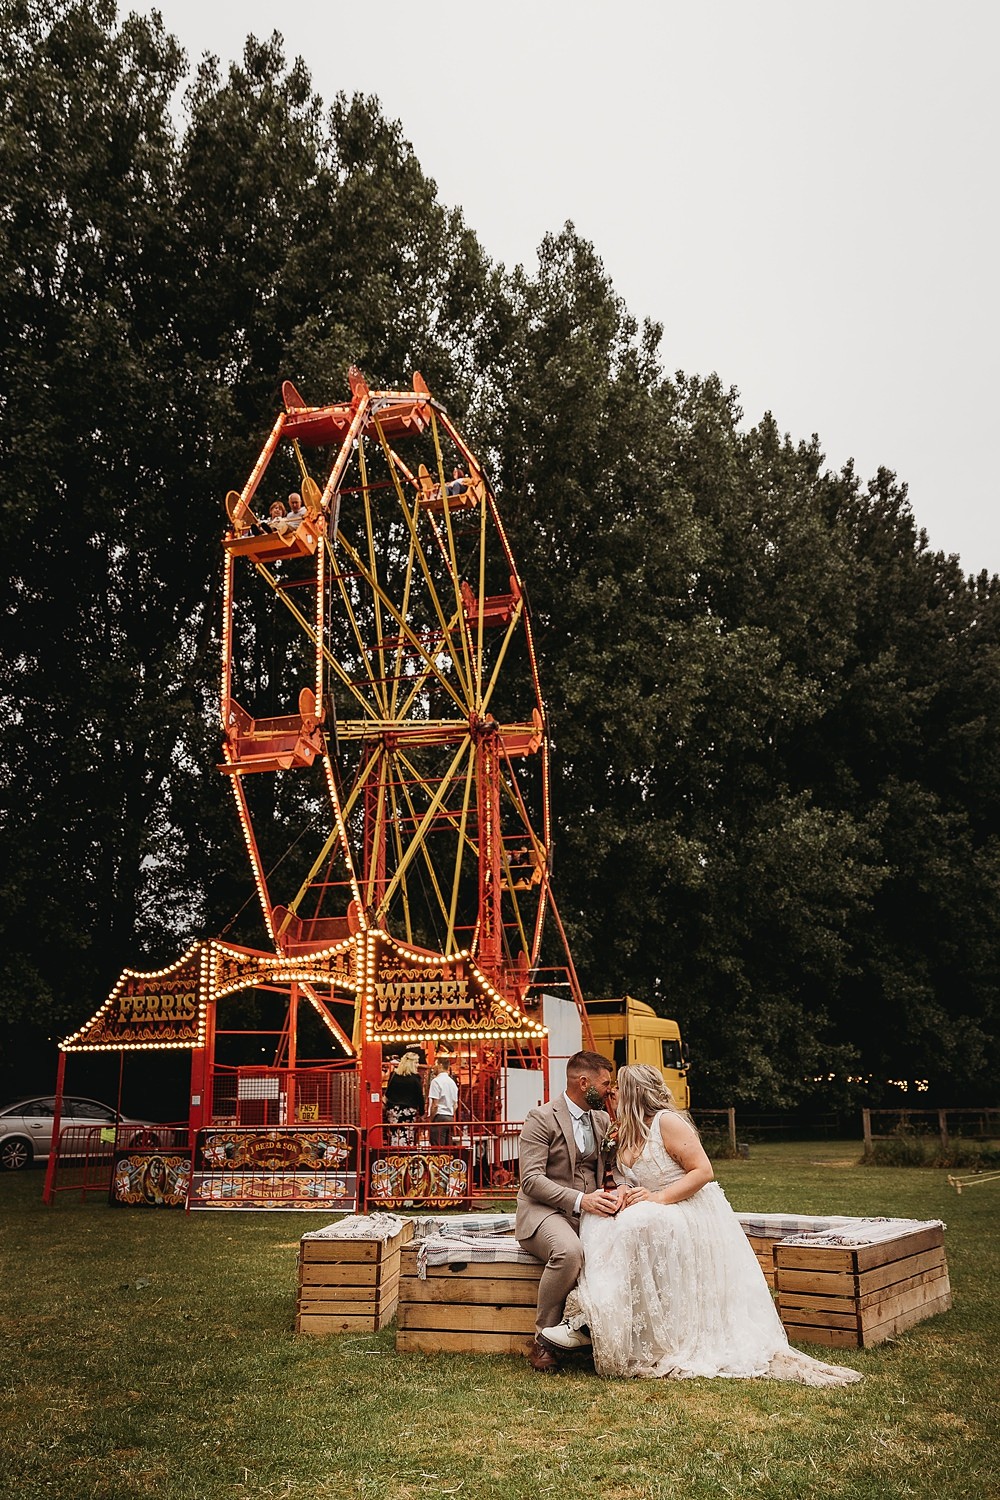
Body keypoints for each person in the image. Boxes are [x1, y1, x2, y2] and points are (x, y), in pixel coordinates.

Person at [542, 1065, 862, 1386]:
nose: (613, 1093)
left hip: (688, 1206)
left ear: (635, 1092)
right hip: (657, 1205)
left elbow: (703, 1172)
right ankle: (591, 1315)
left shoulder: (669, 1122)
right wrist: (626, 1192)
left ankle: (592, 1320)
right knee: (599, 1217)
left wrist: (658, 1198)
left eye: (619, 1088)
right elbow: (630, 1178)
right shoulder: (627, 1129)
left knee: (636, 1222)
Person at [515, 1050, 617, 1373]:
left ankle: (595, 1333)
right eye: (605, 1084)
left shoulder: (601, 1119)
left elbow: (609, 1168)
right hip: (543, 1213)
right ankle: (543, 1340)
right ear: (583, 1082)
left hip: (588, 1214)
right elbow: (530, 1180)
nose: (610, 1091)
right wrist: (580, 1200)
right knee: (571, 1252)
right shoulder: (541, 1118)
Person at [383, 1052, 424, 1146]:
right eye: (416, 1062)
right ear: (411, 1063)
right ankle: (405, 1156)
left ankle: (393, 1156)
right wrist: (422, 1112)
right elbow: (419, 1096)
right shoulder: (415, 1078)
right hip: (408, 1111)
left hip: (393, 1111)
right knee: (407, 1136)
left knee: (394, 1135)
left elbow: (388, 1093)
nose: (417, 1065)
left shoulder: (394, 1075)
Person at [427, 1055, 459, 1146]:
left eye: (435, 1064)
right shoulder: (452, 1083)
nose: (434, 1067)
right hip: (450, 1117)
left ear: (440, 1065)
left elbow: (435, 1104)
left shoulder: (436, 1081)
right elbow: (455, 1105)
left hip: (439, 1117)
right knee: (447, 1148)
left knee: (437, 1148)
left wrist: (431, 1119)